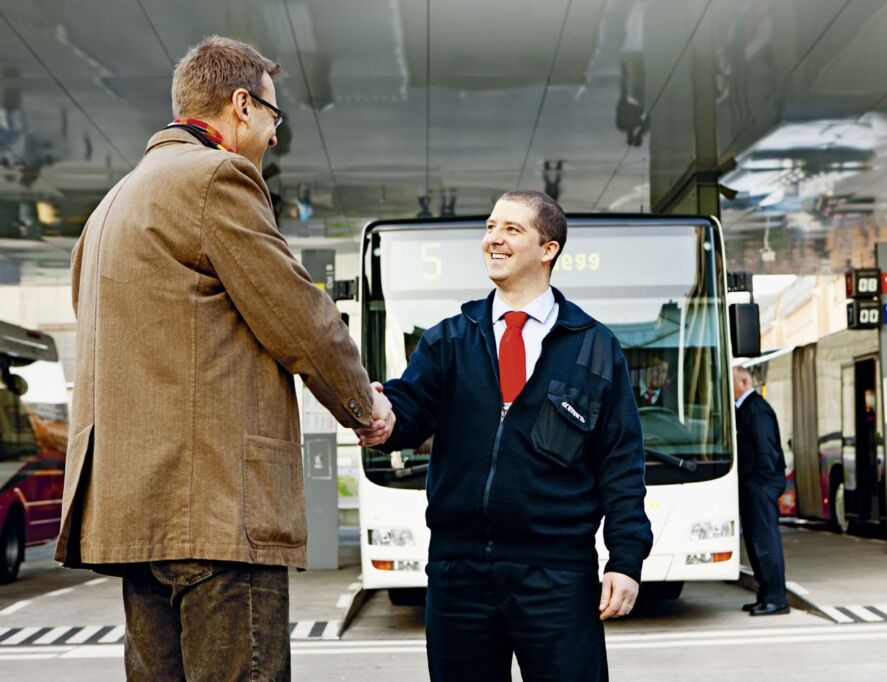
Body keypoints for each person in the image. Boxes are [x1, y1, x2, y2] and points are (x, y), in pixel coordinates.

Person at [54, 36, 390, 680]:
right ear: (242, 104)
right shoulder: (215, 177)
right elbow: (297, 316)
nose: (272, 136)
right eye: (273, 117)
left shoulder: (108, 209)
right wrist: (363, 407)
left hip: (135, 517)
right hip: (214, 510)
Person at [358, 190, 653, 682]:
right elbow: (408, 411)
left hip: (557, 575)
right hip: (459, 573)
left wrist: (625, 559)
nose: (493, 238)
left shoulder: (595, 348)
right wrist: (381, 414)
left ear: (548, 248)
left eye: (511, 229)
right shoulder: (449, 338)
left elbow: (621, 462)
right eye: (491, 227)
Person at [732, 365, 789, 616]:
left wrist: (762, 484)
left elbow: (766, 449)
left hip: (760, 483)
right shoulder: (747, 408)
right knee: (756, 543)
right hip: (755, 483)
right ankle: (766, 594)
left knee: (765, 542)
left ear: (744, 381)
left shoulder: (756, 409)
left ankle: (776, 598)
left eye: (731, 380)